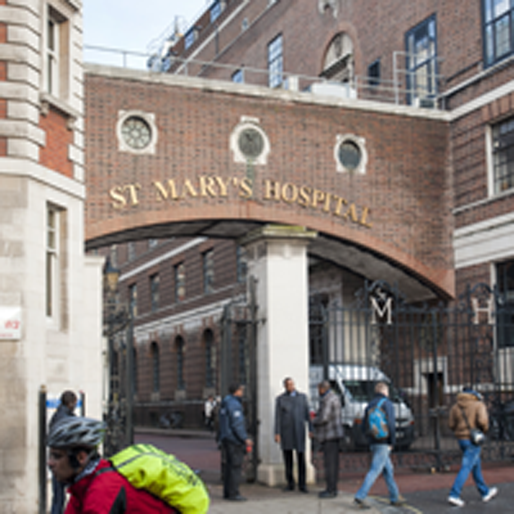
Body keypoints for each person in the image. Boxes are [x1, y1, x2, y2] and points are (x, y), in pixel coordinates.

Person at [47, 416, 176, 513]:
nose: (50, 463)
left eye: (57, 456)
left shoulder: (103, 489)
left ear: (81, 457)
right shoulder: (81, 487)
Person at [353, 381, 405, 509]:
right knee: (375, 470)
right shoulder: (387, 404)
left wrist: (370, 438)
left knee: (388, 470)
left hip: (374, 441)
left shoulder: (370, 404)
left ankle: (395, 496)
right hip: (384, 442)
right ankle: (360, 496)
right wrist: (392, 442)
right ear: (385, 391)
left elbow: (364, 425)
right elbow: (391, 425)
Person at [447, 387, 498, 507]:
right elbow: (483, 421)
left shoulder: (456, 406)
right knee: (466, 467)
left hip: (461, 439)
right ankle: (454, 494)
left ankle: (485, 492)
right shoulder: (478, 404)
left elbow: (451, 424)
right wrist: (483, 431)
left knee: (476, 466)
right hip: (473, 440)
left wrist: (459, 431)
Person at [274, 377, 312, 493]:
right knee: (288, 458)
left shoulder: (302, 397)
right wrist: (277, 432)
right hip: (287, 432)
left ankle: (302, 483)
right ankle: (290, 482)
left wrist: (311, 429)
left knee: (301, 458)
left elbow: (307, 415)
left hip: (299, 430)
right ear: (285, 386)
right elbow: (278, 417)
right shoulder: (281, 399)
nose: (290, 387)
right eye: (288, 385)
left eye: (292, 384)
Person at [218, 383, 253, 501]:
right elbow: (237, 423)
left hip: (226, 438)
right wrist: (245, 438)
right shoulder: (234, 404)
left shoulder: (225, 402)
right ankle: (234, 493)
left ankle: (227, 492)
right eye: (241, 390)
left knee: (229, 466)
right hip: (234, 439)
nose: (242, 392)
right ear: (236, 391)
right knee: (235, 466)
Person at [313, 380, 343, 498]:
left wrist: (314, 421)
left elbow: (324, 418)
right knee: (334, 463)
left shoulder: (327, 399)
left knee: (329, 463)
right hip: (335, 434)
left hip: (329, 434)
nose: (318, 392)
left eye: (319, 389)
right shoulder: (335, 398)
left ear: (322, 389)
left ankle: (330, 489)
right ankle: (333, 488)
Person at [49, 390, 77, 514]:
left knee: (58, 497)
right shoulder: (69, 419)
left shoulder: (56, 416)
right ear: (70, 403)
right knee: (73, 495)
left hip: (55, 460)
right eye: (74, 403)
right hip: (66, 461)